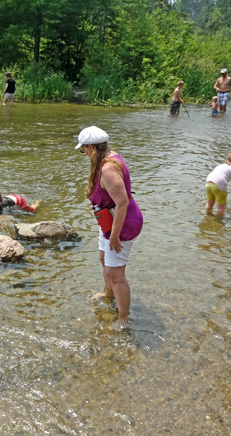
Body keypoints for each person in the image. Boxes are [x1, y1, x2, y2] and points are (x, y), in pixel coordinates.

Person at [76, 126, 144, 330]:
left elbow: (122, 203)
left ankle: (123, 318)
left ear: (91, 147)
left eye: (83, 150)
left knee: (116, 274)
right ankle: (108, 294)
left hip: (121, 225)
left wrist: (114, 237)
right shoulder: (108, 158)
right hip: (108, 220)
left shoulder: (108, 168)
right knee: (103, 259)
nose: (84, 154)